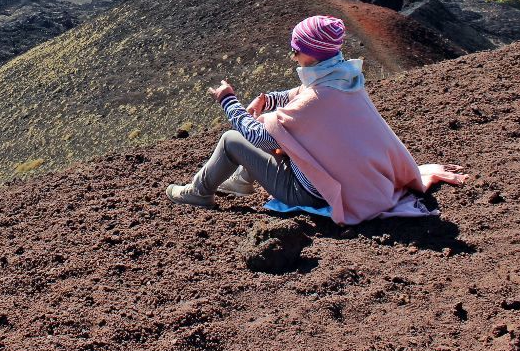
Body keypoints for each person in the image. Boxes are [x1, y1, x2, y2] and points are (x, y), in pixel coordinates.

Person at [165, 14, 468, 224]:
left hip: (312, 193)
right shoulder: (346, 79)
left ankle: (198, 193)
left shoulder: (316, 100)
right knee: (282, 133)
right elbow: (304, 91)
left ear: (309, 55)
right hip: (353, 180)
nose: (293, 56)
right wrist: (271, 99)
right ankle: (242, 181)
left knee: (233, 139)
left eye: (295, 50)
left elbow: (259, 136)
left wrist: (228, 101)